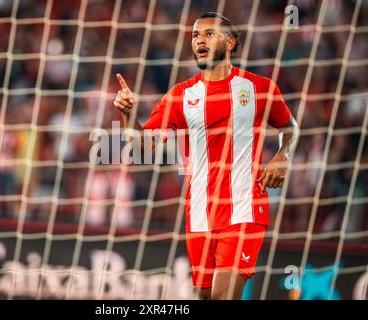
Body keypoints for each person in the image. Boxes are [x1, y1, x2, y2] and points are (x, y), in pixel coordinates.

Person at [113, 12, 299, 300]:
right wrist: (127, 116)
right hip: (199, 213)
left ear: (231, 42)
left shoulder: (258, 88)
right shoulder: (180, 95)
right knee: (205, 296)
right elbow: (139, 148)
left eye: (209, 34)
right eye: (195, 36)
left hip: (244, 209)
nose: (200, 40)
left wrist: (283, 155)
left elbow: (290, 127)